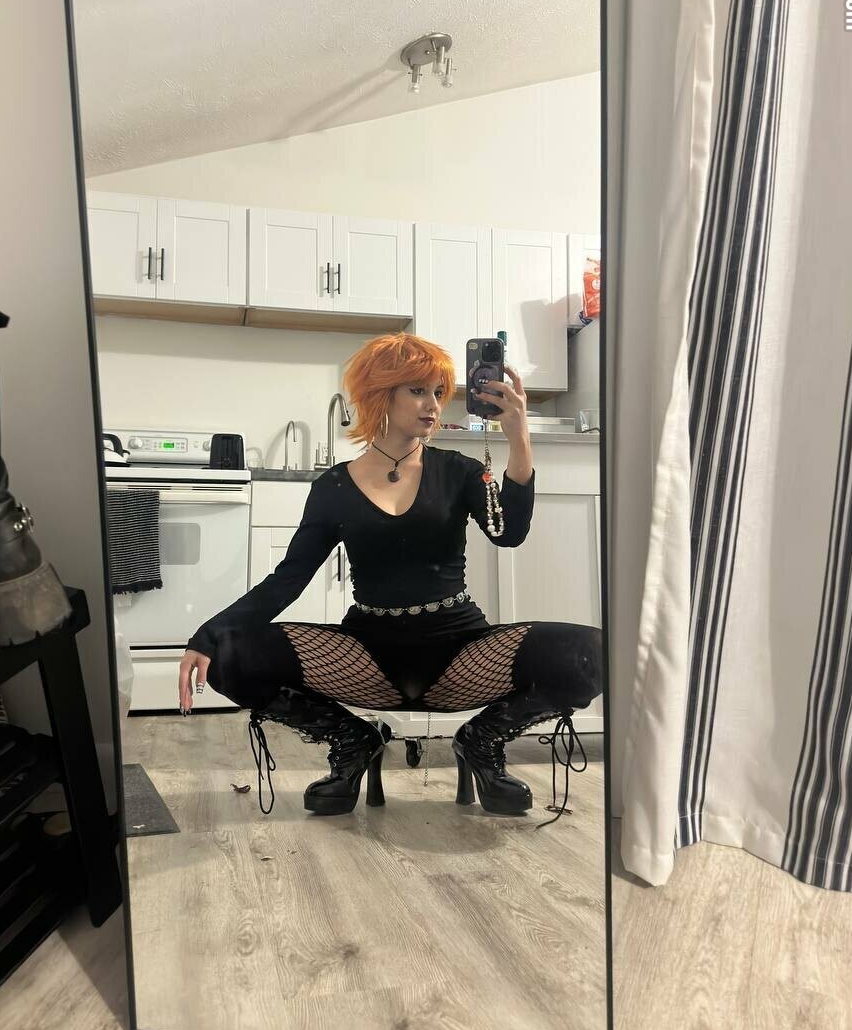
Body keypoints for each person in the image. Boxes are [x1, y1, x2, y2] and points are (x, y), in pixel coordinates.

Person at [178, 332, 601, 822]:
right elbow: (288, 579)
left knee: (593, 653)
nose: (433, 405)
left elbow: (509, 534)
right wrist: (208, 635)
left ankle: (482, 741)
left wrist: (518, 437)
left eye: (438, 392)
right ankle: (352, 740)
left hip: (459, 654)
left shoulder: (459, 471)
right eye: (417, 391)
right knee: (229, 657)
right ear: (381, 394)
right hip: (367, 657)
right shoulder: (334, 486)